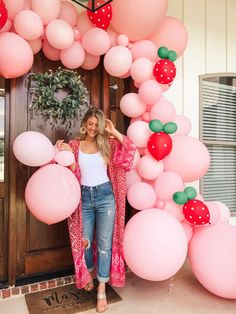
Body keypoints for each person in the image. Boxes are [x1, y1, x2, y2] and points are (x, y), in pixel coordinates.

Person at [57, 108, 136, 313]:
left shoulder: (108, 144)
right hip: (83, 197)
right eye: (90, 124)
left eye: (96, 125)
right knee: (84, 242)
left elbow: (130, 150)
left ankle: (101, 286)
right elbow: (71, 171)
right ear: (85, 123)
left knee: (104, 245)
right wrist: (61, 150)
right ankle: (89, 272)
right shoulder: (75, 145)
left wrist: (114, 131)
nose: (93, 128)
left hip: (105, 198)